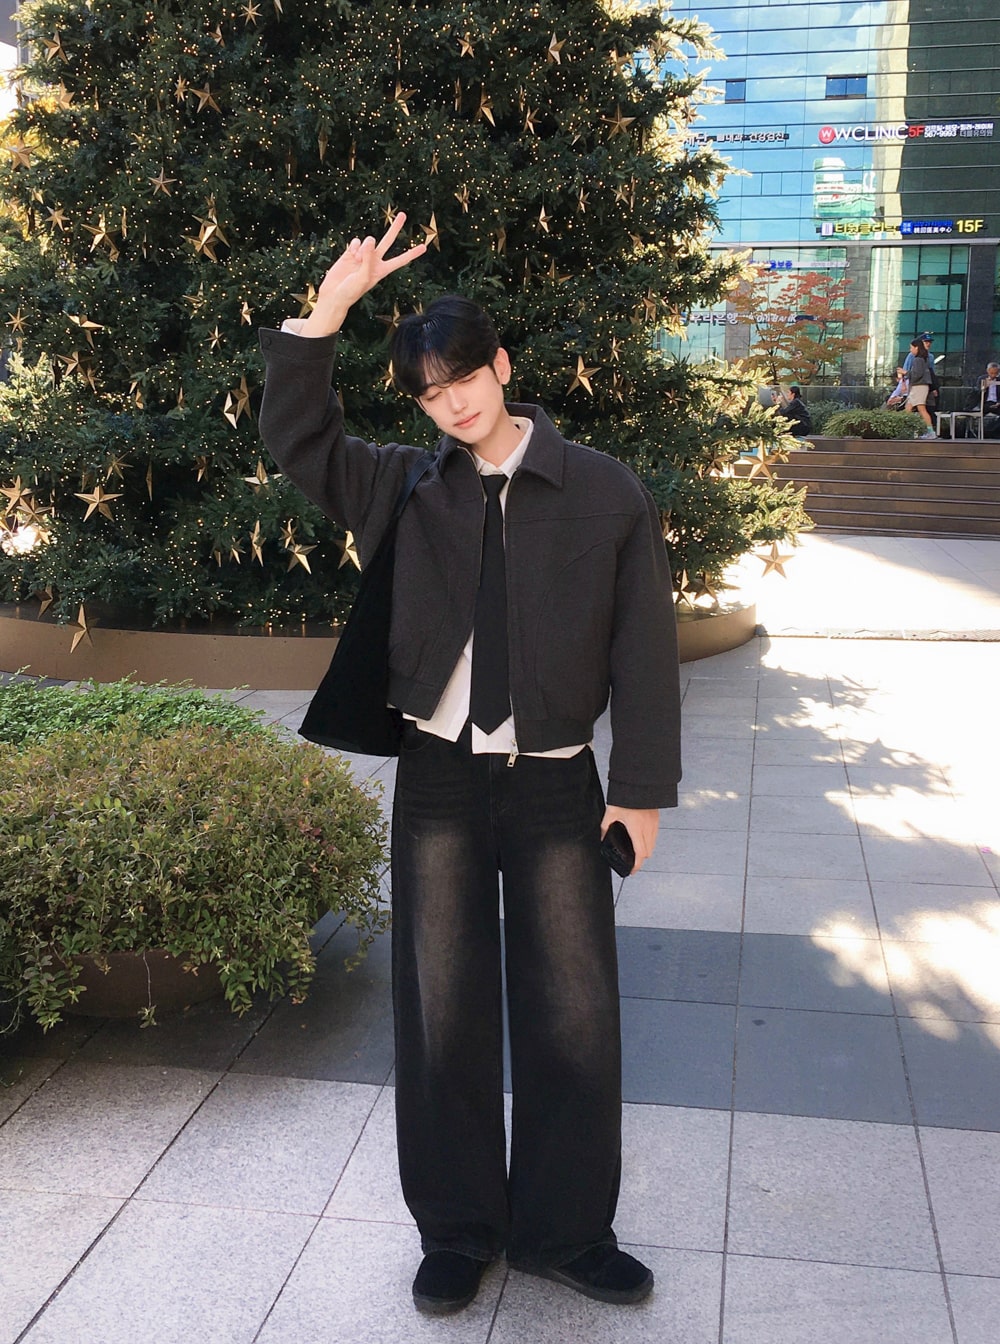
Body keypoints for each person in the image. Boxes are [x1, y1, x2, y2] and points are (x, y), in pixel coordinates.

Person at [257, 215, 681, 1315]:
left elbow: (645, 650)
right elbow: (299, 438)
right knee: (440, 1009)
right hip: (439, 779)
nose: (451, 404)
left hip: (554, 783)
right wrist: (329, 311)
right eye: (429, 392)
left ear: (502, 366)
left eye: (463, 379)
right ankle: (456, 1229)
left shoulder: (604, 490)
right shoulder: (404, 486)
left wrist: (639, 793)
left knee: (573, 1013)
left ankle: (566, 1232)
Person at [905, 339, 937, 437]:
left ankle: (930, 432)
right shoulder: (924, 359)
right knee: (908, 408)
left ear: (916, 347)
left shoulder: (918, 360)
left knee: (921, 409)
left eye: (911, 348)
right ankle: (906, 430)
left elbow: (917, 374)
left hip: (919, 386)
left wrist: (905, 373)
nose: (910, 350)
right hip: (919, 386)